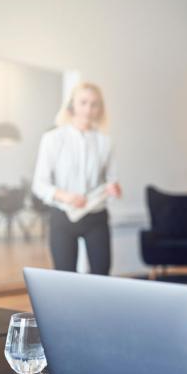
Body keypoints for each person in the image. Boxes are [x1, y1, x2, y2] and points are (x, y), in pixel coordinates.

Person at [32, 82, 121, 275]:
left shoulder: (106, 142)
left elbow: (111, 181)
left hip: (96, 217)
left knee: (102, 275)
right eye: (83, 102)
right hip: (63, 217)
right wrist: (65, 196)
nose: (88, 109)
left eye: (94, 104)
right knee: (65, 278)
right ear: (72, 105)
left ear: (100, 109)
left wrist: (113, 189)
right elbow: (39, 184)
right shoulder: (53, 138)